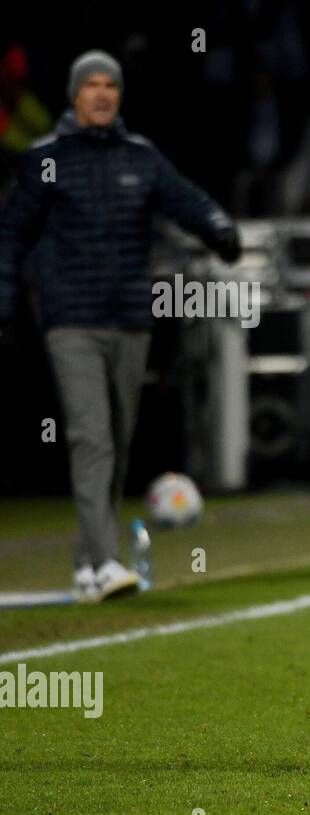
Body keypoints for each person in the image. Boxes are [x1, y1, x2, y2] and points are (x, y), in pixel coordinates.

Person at [0, 50, 241, 602]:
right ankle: (107, 561)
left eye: (111, 85)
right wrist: (5, 303)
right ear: (74, 94)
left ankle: (88, 563)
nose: (102, 94)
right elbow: (10, 235)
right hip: (71, 319)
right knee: (92, 436)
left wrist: (220, 229)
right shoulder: (46, 160)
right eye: (92, 85)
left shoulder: (143, 157)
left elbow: (187, 201)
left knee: (119, 440)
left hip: (131, 317)